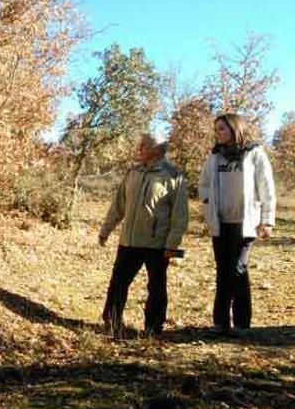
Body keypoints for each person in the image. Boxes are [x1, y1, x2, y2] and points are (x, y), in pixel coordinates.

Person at [99, 134, 189, 338]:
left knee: (156, 287)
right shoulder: (133, 172)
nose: (138, 148)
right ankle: (111, 322)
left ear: (157, 149)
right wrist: (106, 230)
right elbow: (118, 206)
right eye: (138, 144)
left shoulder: (173, 176)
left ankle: (154, 327)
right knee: (118, 284)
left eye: (143, 145)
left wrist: (172, 245)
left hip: (157, 245)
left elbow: (180, 216)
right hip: (128, 242)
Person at [198, 113, 276, 335]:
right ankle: (220, 322)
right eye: (216, 130)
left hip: (245, 223)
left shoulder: (254, 154)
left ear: (235, 129)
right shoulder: (214, 157)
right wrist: (207, 201)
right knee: (223, 271)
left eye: (222, 128)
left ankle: (242, 323)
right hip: (220, 224)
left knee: (238, 270)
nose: (218, 133)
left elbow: (267, 188)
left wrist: (267, 221)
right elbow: (203, 183)